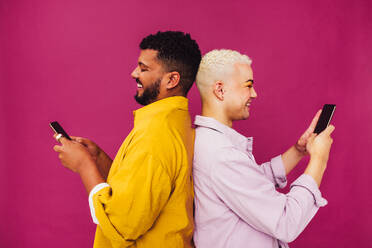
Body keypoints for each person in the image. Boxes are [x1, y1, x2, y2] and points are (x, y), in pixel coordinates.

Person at [53, 31, 201, 248]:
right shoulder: (175, 123)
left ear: (172, 79)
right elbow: (144, 194)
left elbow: (121, 226)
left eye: (144, 68)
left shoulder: (155, 135)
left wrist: (84, 166)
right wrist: (99, 160)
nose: (134, 73)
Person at [192, 49, 335, 248]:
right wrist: (320, 160)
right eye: (248, 86)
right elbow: (286, 222)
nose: (254, 94)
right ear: (220, 90)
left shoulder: (210, 143)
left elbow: (250, 182)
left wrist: (298, 150)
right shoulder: (222, 155)